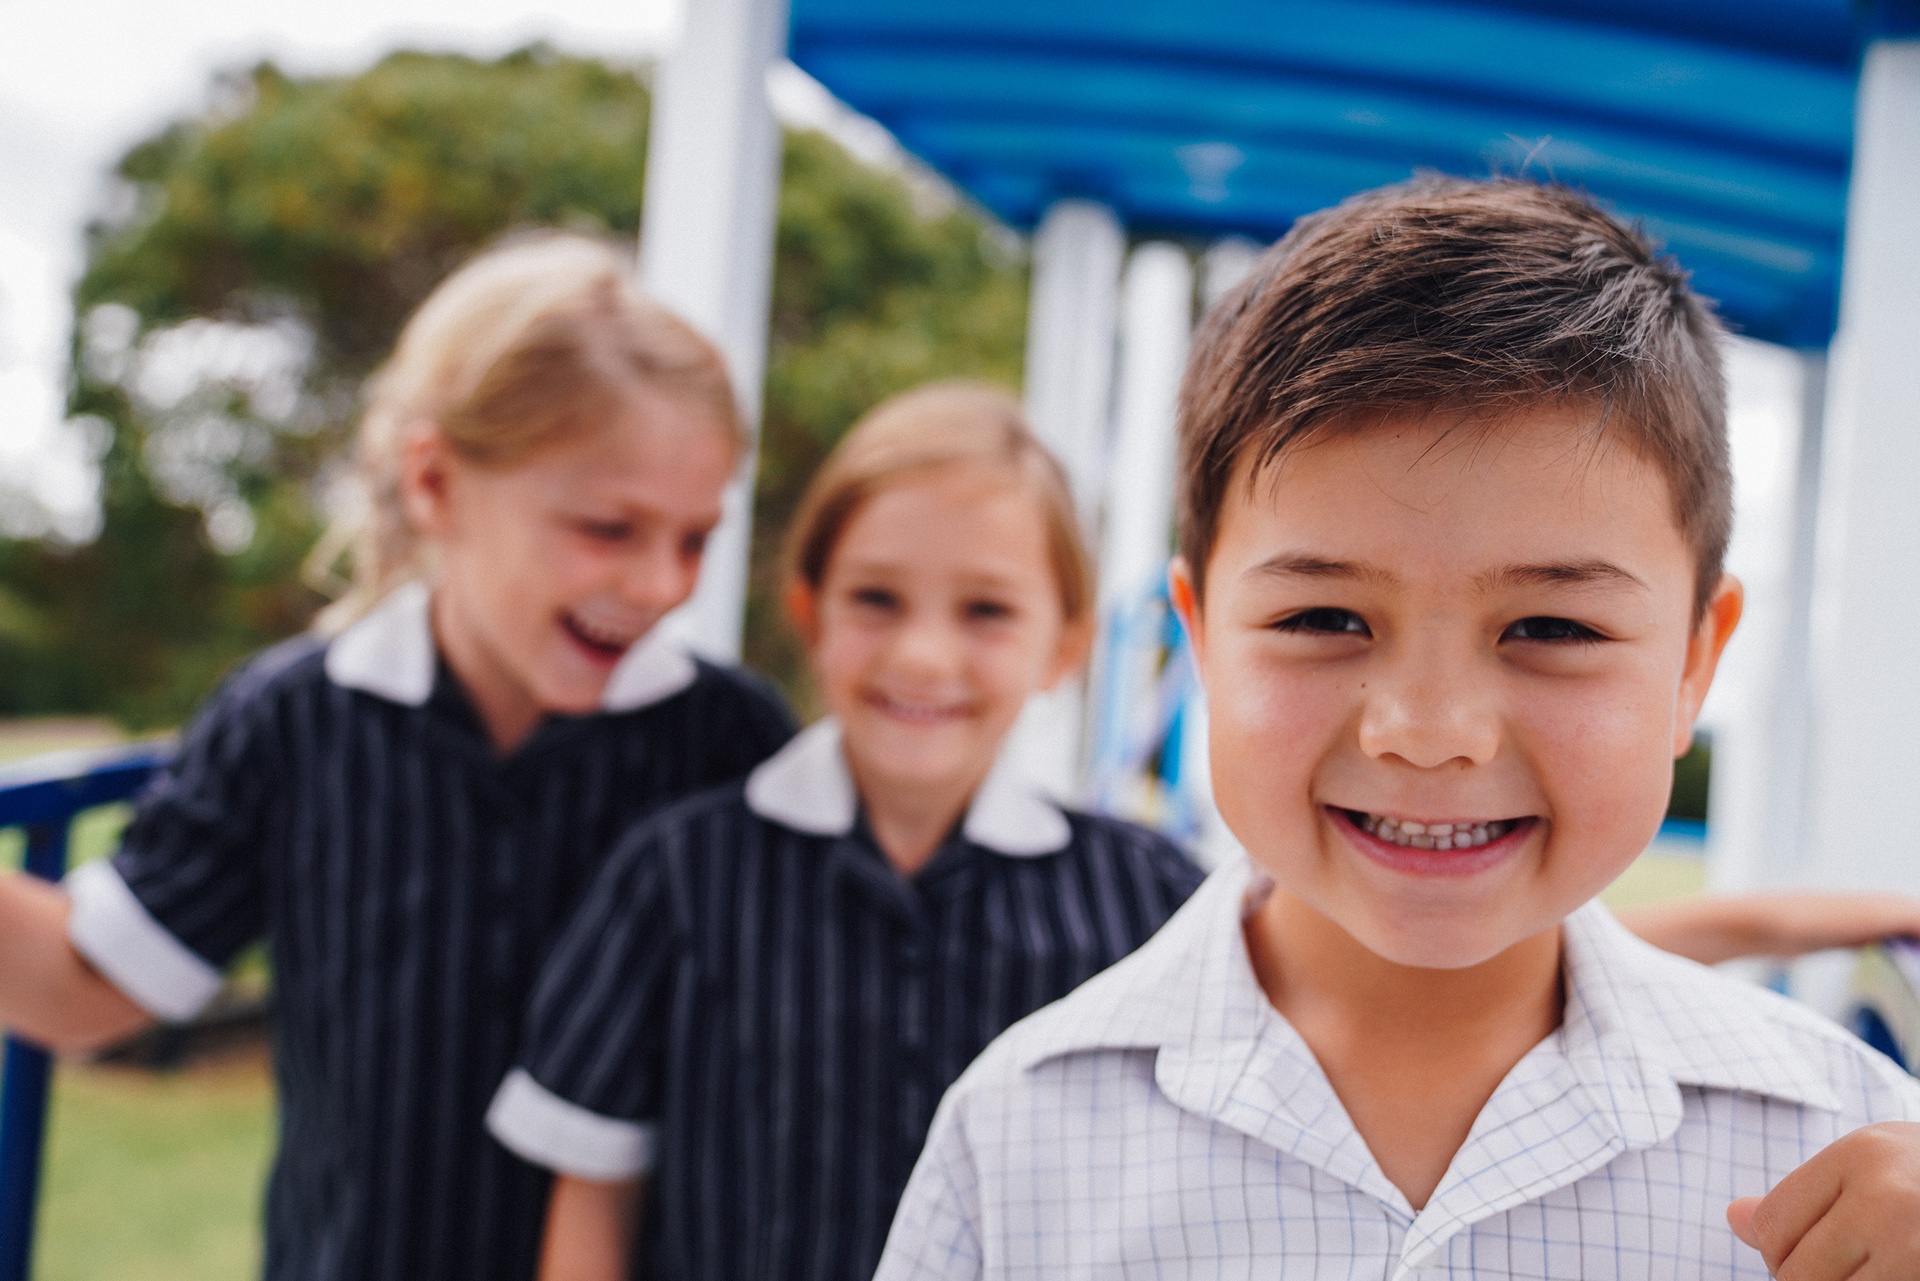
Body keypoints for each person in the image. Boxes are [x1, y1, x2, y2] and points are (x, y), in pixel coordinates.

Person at [875, 179, 1920, 1280]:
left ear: (1695, 663)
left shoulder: (1847, 1149)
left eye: (1551, 625)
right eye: (1323, 618)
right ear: (1199, 638)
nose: (1428, 733)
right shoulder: (1018, 1139)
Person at [0, 233, 795, 1281]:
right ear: (434, 483)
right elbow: (87, 987)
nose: (660, 585)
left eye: (694, 539)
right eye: (610, 528)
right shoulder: (293, 724)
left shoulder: (730, 743)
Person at [483, 382, 1207, 1281]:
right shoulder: (679, 877)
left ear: (1064, 644)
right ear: (809, 611)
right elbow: (594, 1185)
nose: (921, 655)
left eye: (986, 610)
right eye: (876, 598)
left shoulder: (1154, 905)